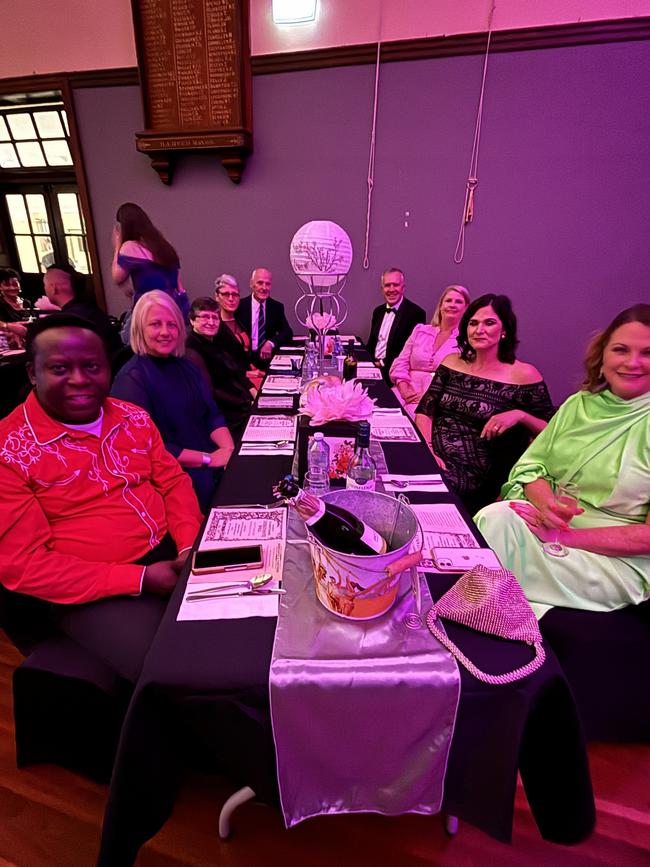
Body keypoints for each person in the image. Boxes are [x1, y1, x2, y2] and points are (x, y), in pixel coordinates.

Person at [0, 313, 203, 682]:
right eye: (60, 368)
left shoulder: (132, 417)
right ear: (33, 373)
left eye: (92, 366)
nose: (79, 380)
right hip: (91, 588)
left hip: (173, 551)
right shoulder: (9, 449)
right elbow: (25, 565)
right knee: (177, 670)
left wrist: (189, 546)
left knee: (243, 629)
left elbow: (173, 482)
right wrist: (139, 579)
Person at [475, 304, 650, 619]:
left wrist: (564, 537)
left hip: (613, 560)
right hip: (550, 528)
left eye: (648, 353)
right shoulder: (578, 406)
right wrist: (547, 506)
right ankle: (494, 613)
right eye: (621, 350)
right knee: (493, 519)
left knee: (492, 556)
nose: (632, 363)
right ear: (603, 357)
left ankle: (495, 618)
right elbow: (531, 468)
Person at [415, 294, 554, 513]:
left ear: (504, 330)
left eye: (489, 323)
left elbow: (551, 432)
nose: (479, 329)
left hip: (477, 475)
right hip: (434, 456)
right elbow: (425, 411)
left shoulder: (524, 374)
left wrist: (520, 415)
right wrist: (428, 450)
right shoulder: (452, 362)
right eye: (473, 323)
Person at [111, 291, 234, 512]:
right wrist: (209, 459)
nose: (165, 332)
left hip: (210, 463)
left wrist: (229, 450)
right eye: (155, 324)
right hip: (175, 479)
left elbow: (212, 415)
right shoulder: (130, 380)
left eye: (172, 325)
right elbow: (148, 448)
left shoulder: (186, 366)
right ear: (140, 328)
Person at [390, 284, 470, 416]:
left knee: (414, 420)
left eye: (459, 301)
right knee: (383, 413)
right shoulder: (420, 330)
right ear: (441, 305)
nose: (452, 304)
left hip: (437, 396)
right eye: (448, 300)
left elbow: (461, 379)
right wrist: (403, 388)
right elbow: (400, 362)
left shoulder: (467, 340)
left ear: (466, 308)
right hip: (405, 387)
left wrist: (430, 396)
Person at [111, 202, 190, 333]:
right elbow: (179, 284)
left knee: (127, 342)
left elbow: (117, 277)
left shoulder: (130, 246)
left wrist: (117, 246)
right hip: (174, 306)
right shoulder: (161, 245)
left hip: (151, 309)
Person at [185, 297, 254, 440]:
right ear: (192, 320)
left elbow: (235, 370)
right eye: (205, 317)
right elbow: (209, 391)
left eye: (215, 318)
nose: (211, 322)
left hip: (240, 406)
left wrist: (253, 391)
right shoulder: (191, 349)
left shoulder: (217, 340)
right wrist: (246, 404)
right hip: (224, 418)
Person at [43, 263, 121, 358]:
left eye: (45, 285)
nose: (45, 289)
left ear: (53, 288)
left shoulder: (69, 319)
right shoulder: (91, 309)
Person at [366, 268, 426, 379]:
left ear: (403, 288)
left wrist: (381, 364)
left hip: (394, 372)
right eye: (387, 285)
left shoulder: (416, 313)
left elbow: (408, 352)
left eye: (396, 285)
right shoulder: (378, 311)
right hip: (372, 368)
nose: (391, 289)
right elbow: (372, 343)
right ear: (382, 289)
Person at [214, 273, 264, 390]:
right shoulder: (214, 325)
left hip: (250, 374)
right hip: (232, 383)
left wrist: (253, 369)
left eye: (235, 295)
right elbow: (218, 363)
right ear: (217, 296)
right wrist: (246, 374)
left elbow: (244, 356)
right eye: (226, 294)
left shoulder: (241, 320)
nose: (231, 299)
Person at [236, 267, 293, 366]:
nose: (264, 287)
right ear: (251, 284)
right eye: (260, 283)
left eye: (268, 284)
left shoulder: (276, 307)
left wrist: (270, 343)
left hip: (267, 359)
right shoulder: (239, 306)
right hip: (243, 360)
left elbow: (287, 332)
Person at [0, 267, 29, 348]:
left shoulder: (27, 302)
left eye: (15, 284)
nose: (12, 288)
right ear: (0, 287)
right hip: (7, 344)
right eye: (7, 285)